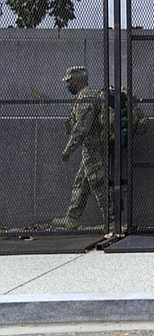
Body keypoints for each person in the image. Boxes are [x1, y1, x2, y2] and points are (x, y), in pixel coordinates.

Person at [52, 66, 110, 229]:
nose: (68, 85)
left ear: (77, 81)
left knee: (98, 183)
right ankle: (72, 218)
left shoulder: (86, 98)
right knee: (81, 183)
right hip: (90, 148)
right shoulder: (85, 96)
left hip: (93, 148)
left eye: (69, 82)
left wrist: (68, 150)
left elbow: (81, 128)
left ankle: (112, 219)